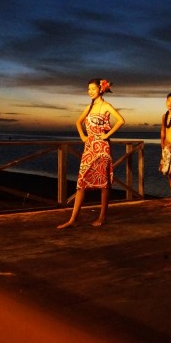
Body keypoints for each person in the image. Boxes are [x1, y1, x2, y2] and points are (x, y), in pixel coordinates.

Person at [57, 78, 125, 229]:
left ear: (101, 89)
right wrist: (82, 136)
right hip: (89, 148)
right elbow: (78, 122)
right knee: (81, 181)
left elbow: (121, 120)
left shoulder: (106, 106)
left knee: (103, 183)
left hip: (102, 148)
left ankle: (102, 216)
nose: (90, 92)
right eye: (88, 89)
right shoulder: (89, 107)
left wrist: (107, 135)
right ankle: (73, 219)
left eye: (93, 89)